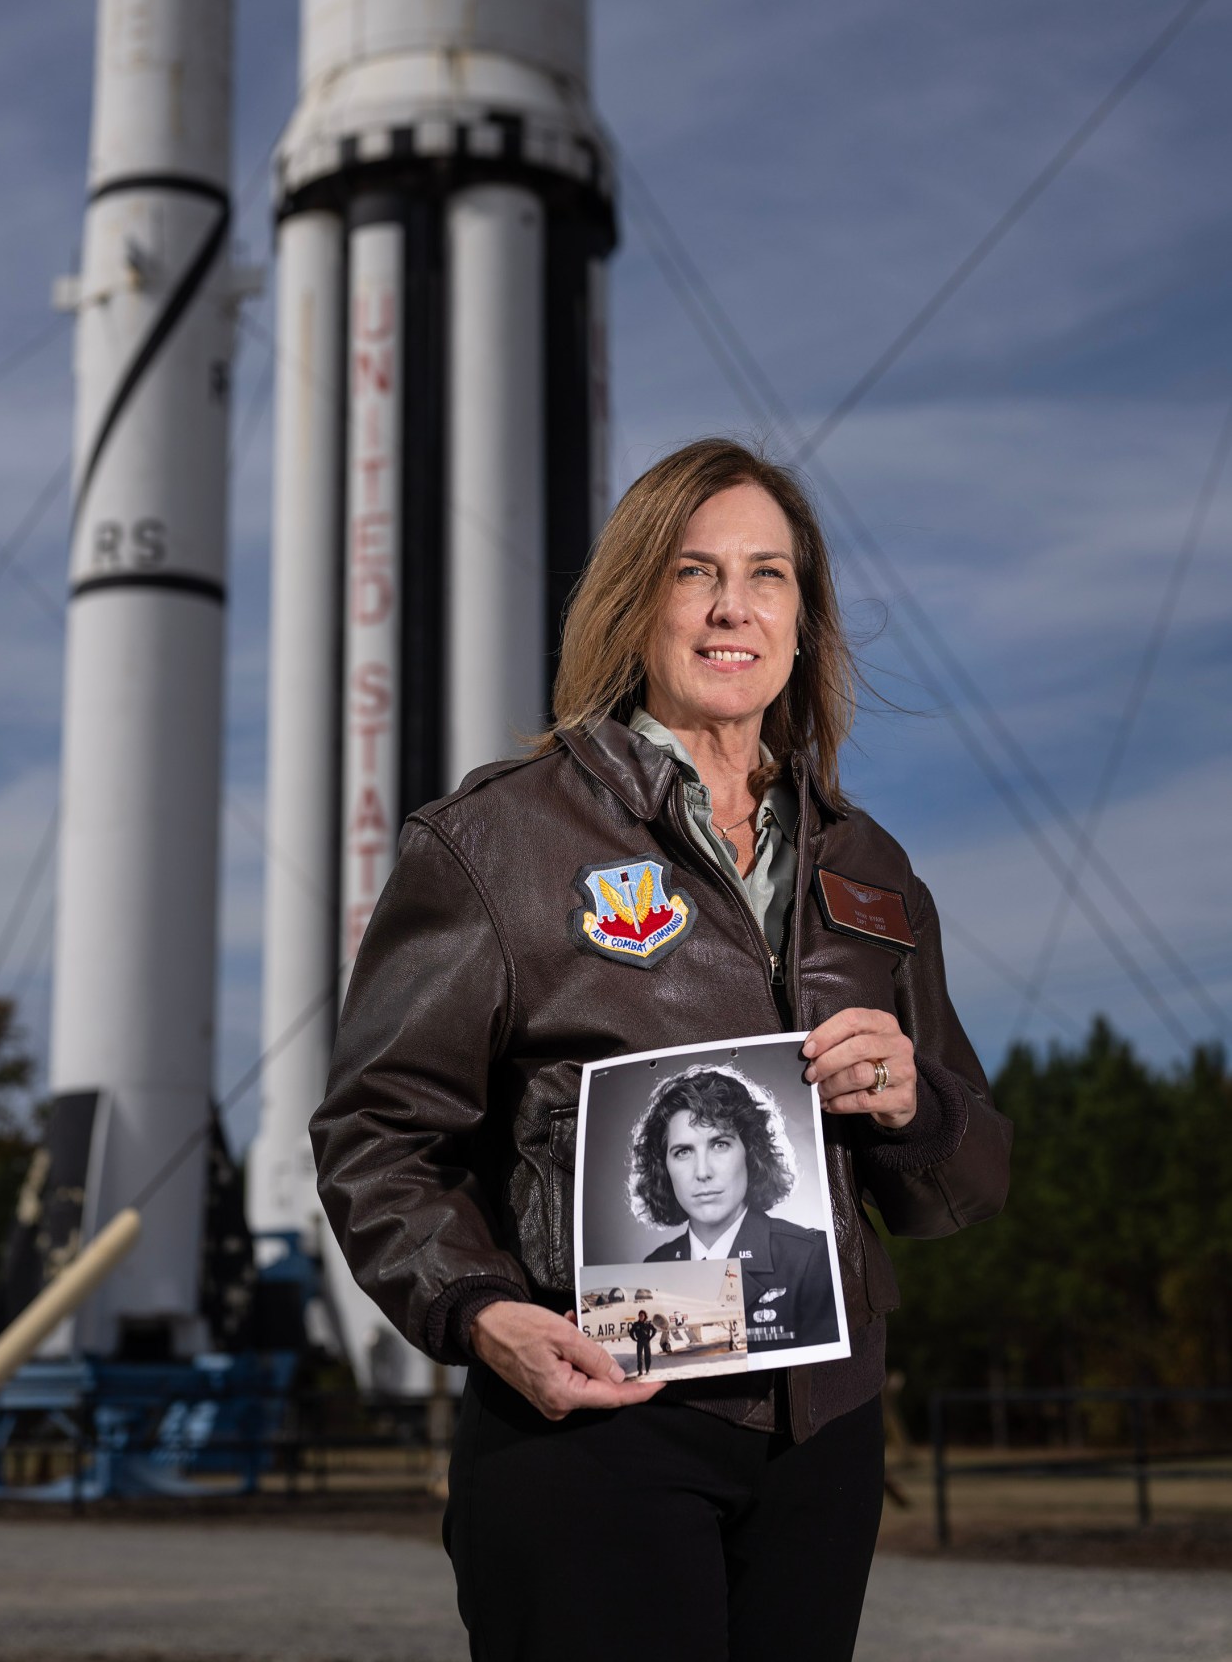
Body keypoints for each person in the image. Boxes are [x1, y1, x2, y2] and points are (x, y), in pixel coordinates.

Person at [313, 437, 1012, 1662]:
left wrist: (915, 1107)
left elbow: (967, 1174)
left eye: (768, 576)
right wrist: (479, 1313)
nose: (734, 607)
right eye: (696, 573)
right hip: (593, 1425)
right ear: (638, 604)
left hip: (822, 1437)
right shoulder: (499, 843)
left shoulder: (870, 868)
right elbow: (378, 1133)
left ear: (805, 621)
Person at [633, 1063, 839, 1352]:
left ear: (751, 1152)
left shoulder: (810, 1258)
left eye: (719, 1144)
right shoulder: (653, 1268)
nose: (702, 1172)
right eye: (683, 1152)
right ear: (663, 1167)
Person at [627, 1309, 656, 1377]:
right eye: (640, 1316)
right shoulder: (636, 1324)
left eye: (642, 1316)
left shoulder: (648, 1324)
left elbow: (654, 1330)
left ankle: (647, 1370)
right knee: (639, 1357)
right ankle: (640, 1371)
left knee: (647, 1356)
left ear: (645, 1316)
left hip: (646, 1341)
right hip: (639, 1341)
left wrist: (650, 1337)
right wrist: (634, 1339)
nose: (641, 1317)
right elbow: (631, 1332)